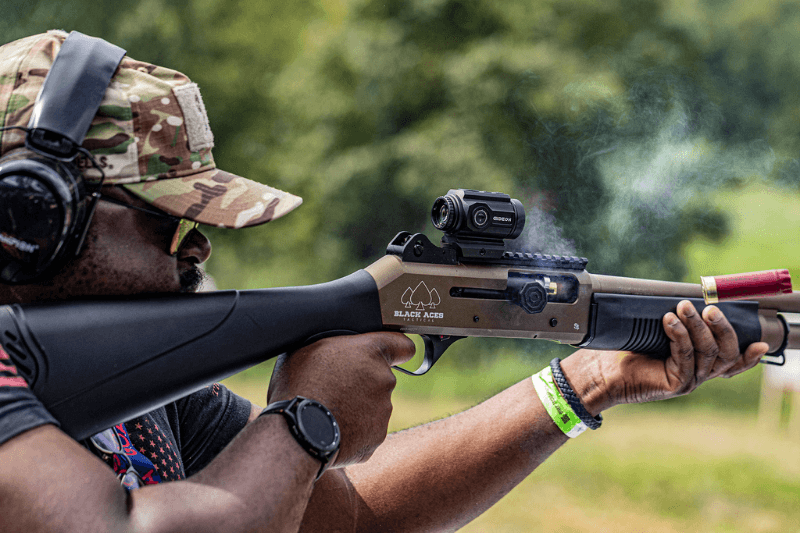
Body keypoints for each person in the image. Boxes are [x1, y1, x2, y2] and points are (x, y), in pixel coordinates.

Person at [0, 31, 769, 533]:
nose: (196, 246)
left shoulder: (134, 400)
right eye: (167, 217)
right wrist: (304, 421)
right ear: (33, 214)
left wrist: (584, 382)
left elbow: (345, 519)